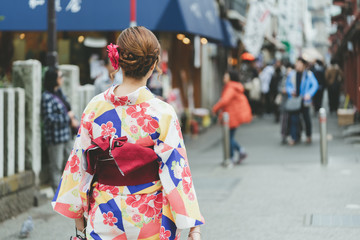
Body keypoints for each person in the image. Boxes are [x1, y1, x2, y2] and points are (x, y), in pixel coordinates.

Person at [52, 26, 204, 240]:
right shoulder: (162, 112)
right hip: (150, 217)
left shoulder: (95, 107)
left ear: (118, 61)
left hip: (106, 215)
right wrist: (193, 227)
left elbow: (79, 166)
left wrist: (79, 222)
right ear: (153, 65)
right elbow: (177, 172)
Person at [41, 68, 79, 192]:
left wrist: (73, 119)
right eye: (60, 76)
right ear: (54, 80)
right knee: (56, 166)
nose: (62, 79)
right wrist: (67, 117)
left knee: (71, 163)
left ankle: (68, 192)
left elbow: (68, 109)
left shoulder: (60, 93)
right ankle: (57, 196)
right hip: (55, 137)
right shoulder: (47, 97)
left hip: (66, 135)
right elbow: (49, 119)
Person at [212, 70, 252, 164]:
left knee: (228, 138)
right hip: (232, 115)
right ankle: (236, 154)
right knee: (229, 137)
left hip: (231, 116)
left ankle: (233, 156)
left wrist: (214, 108)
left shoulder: (230, 87)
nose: (224, 78)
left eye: (226, 76)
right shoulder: (234, 86)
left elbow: (224, 101)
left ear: (230, 77)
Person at [286, 57, 319, 145]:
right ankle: (294, 137)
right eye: (297, 63)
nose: (297, 65)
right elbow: (288, 85)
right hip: (294, 100)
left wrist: (309, 94)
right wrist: (290, 91)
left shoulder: (308, 74)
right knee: (294, 119)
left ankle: (308, 135)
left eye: (299, 64)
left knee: (306, 119)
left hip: (304, 100)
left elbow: (315, 85)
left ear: (304, 65)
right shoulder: (292, 74)